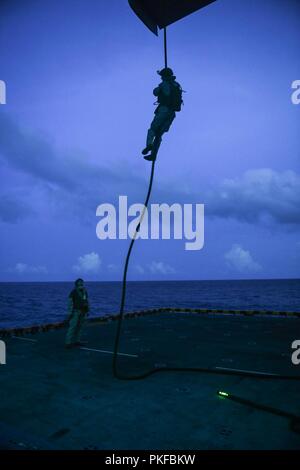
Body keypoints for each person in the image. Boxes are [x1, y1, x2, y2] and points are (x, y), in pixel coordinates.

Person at [142, 67, 183, 161]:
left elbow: (155, 92)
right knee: (159, 134)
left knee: (152, 129)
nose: (161, 78)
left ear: (164, 76)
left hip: (163, 110)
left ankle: (149, 145)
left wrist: (160, 87)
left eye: (161, 76)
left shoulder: (164, 84)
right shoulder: (176, 85)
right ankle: (153, 155)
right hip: (172, 113)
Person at [65, 278, 90, 348]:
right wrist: (70, 313)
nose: (81, 284)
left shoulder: (84, 291)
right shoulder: (73, 292)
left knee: (80, 327)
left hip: (83, 311)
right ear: (76, 284)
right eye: (79, 283)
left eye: (82, 283)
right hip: (75, 312)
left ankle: (77, 341)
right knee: (73, 327)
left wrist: (88, 310)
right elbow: (70, 303)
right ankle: (68, 343)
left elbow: (86, 301)